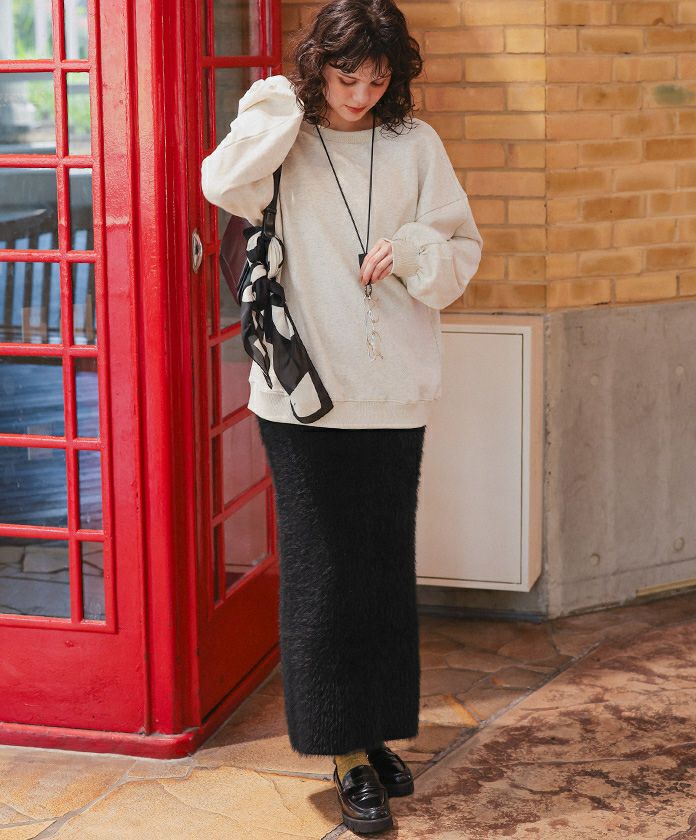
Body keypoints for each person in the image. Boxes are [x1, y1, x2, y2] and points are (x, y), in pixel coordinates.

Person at [201, 0, 483, 832]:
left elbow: (461, 255)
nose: (361, 95)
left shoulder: (415, 146)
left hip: (394, 392)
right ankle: (344, 751)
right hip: (303, 400)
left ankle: (376, 730)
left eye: (377, 79)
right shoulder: (286, 138)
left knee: (383, 572)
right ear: (317, 67)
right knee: (324, 578)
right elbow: (221, 184)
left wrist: (415, 248)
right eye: (345, 77)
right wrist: (276, 108)